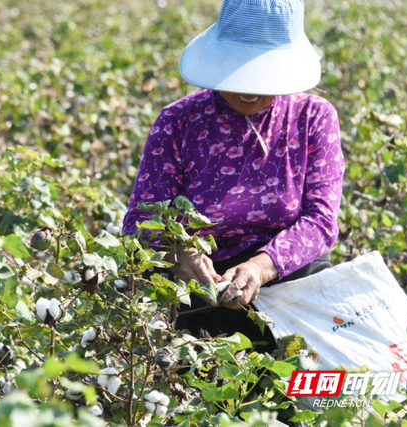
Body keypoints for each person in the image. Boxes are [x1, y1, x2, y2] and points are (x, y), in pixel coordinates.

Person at [122, 0, 344, 352]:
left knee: (302, 375)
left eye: (263, 72)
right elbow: (140, 220)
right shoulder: (178, 122)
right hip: (199, 286)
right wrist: (182, 254)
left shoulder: (312, 118)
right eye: (240, 69)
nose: (250, 88)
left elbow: (320, 221)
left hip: (283, 276)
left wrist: (261, 267)